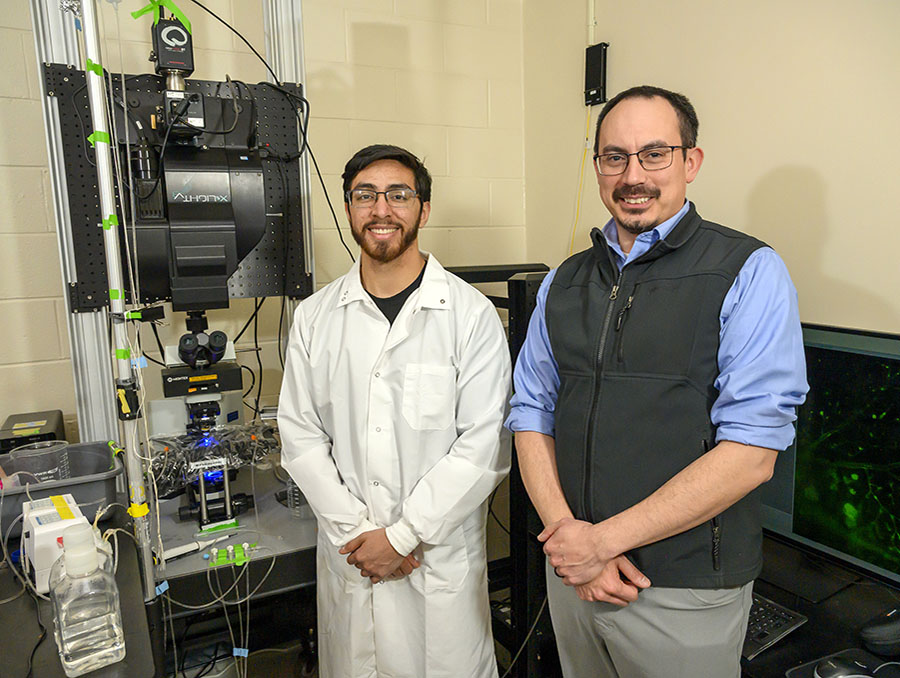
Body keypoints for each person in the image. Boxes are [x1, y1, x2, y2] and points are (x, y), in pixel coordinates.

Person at [506, 86, 808, 677]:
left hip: (681, 589)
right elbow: (531, 412)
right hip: (572, 572)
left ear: (690, 162)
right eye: (614, 156)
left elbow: (752, 454)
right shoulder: (563, 281)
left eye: (654, 153)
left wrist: (602, 542)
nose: (632, 174)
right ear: (597, 167)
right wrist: (570, 538)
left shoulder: (747, 271)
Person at [278, 144, 511, 678]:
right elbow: (300, 436)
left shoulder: (470, 316)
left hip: (434, 561)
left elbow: (483, 447)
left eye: (398, 195)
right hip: (350, 554)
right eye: (365, 195)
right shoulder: (316, 318)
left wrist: (401, 538)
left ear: (423, 210)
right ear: (349, 209)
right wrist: (357, 535)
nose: (381, 209)